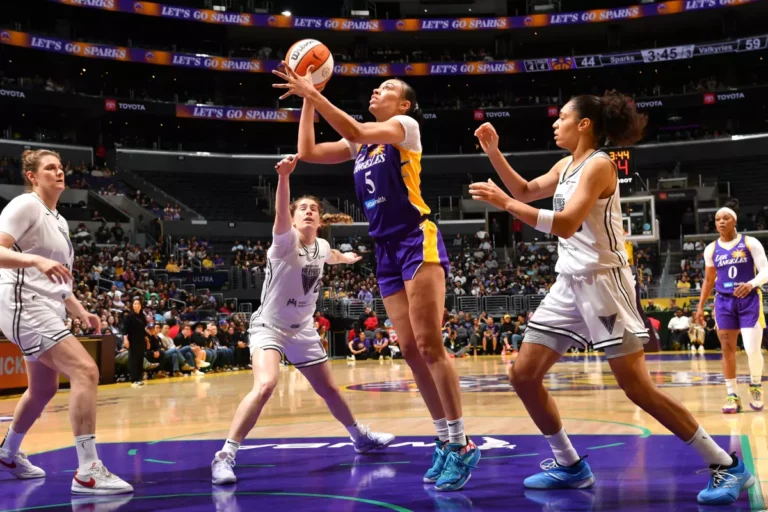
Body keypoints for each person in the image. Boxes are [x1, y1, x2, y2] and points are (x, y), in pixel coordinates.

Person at [469, 92, 752, 504]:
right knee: (523, 375)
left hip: (605, 283)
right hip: (568, 283)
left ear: (584, 124)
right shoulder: (565, 165)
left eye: (563, 116)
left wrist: (505, 203)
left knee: (637, 389)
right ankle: (569, 464)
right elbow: (527, 189)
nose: (556, 122)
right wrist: (494, 153)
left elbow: (564, 224)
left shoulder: (600, 165)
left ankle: (726, 466)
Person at [274, 65, 479, 491]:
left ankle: (461, 443)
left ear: (403, 104)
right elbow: (308, 150)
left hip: (414, 237)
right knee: (408, 349)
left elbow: (355, 128)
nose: (376, 90)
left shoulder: (404, 127)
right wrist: (308, 100)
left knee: (429, 344)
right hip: (385, 247)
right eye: (377, 85)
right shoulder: (361, 145)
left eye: (386, 87)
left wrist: (314, 91)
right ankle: (443, 439)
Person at [211, 154, 394, 485]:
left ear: (320, 220)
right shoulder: (284, 242)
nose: (309, 211)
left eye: (314, 208)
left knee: (330, 391)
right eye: (303, 209)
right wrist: (283, 178)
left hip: (303, 331)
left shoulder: (322, 246)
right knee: (266, 384)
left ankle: (360, 438)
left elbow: (331, 256)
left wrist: (347, 258)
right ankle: (225, 456)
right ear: (294, 221)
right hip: (270, 327)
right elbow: (280, 211)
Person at [0, 149, 132, 494]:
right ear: (32, 176)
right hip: (22, 304)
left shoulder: (57, 219)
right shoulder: (24, 205)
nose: (59, 173)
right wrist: (33, 261)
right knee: (86, 370)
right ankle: (88, 469)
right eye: (50, 168)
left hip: (46, 305)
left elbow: (57, 280)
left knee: (43, 389)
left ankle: (7, 453)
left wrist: (80, 311)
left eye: (61, 167)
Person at [695, 205, 768, 414]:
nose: (721, 222)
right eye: (718, 219)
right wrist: (700, 307)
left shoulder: (750, 242)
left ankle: (755, 385)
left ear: (734, 221)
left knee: (752, 349)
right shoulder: (711, 249)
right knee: (727, 349)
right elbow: (709, 280)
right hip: (724, 301)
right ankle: (732, 395)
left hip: (750, 299)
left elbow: (766, 270)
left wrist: (751, 284)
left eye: (726, 218)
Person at [122, 298, 149, 388]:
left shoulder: (142, 317)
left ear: (141, 306)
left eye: (138, 303)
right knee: (133, 359)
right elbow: (125, 330)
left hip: (141, 340)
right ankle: (133, 379)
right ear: (132, 306)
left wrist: (147, 340)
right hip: (132, 341)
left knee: (140, 358)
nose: (137, 305)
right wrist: (125, 340)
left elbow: (144, 330)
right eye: (135, 303)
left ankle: (139, 378)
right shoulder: (129, 317)